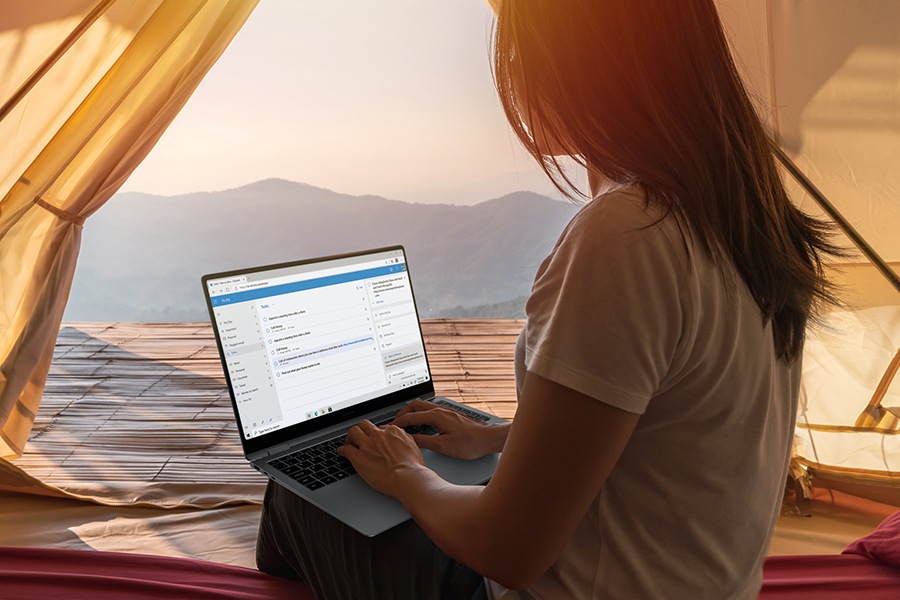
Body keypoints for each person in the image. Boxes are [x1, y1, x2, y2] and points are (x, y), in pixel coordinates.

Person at [256, 1, 845, 598]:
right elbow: (674, 422)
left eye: (519, 50)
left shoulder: (629, 234)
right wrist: (503, 438)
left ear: (580, 64)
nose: (511, 71)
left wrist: (407, 474)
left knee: (300, 490)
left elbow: (504, 549)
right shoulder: (745, 218)